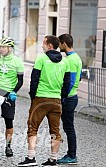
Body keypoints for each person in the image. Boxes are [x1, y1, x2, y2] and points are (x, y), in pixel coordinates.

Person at [18, 35, 70, 167]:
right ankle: (53, 160)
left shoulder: (41, 58)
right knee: (55, 130)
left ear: (49, 46)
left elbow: (34, 79)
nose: (42, 45)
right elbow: (67, 83)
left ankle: (31, 158)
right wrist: (61, 97)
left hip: (41, 98)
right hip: (56, 100)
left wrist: (33, 96)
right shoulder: (65, 61)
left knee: (32, 127)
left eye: (44, 43)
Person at [57, 34, 82, 164]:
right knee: (69, 127)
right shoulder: (77, 58)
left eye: (60, 44)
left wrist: (63, 97)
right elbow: (79, 77)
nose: (59, 47)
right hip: (73, 96)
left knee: (69, 128)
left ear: (64, 44)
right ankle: (71, 154)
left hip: (69, 98)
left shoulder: (70, 60)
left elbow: (71, 81)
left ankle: (72, 155)